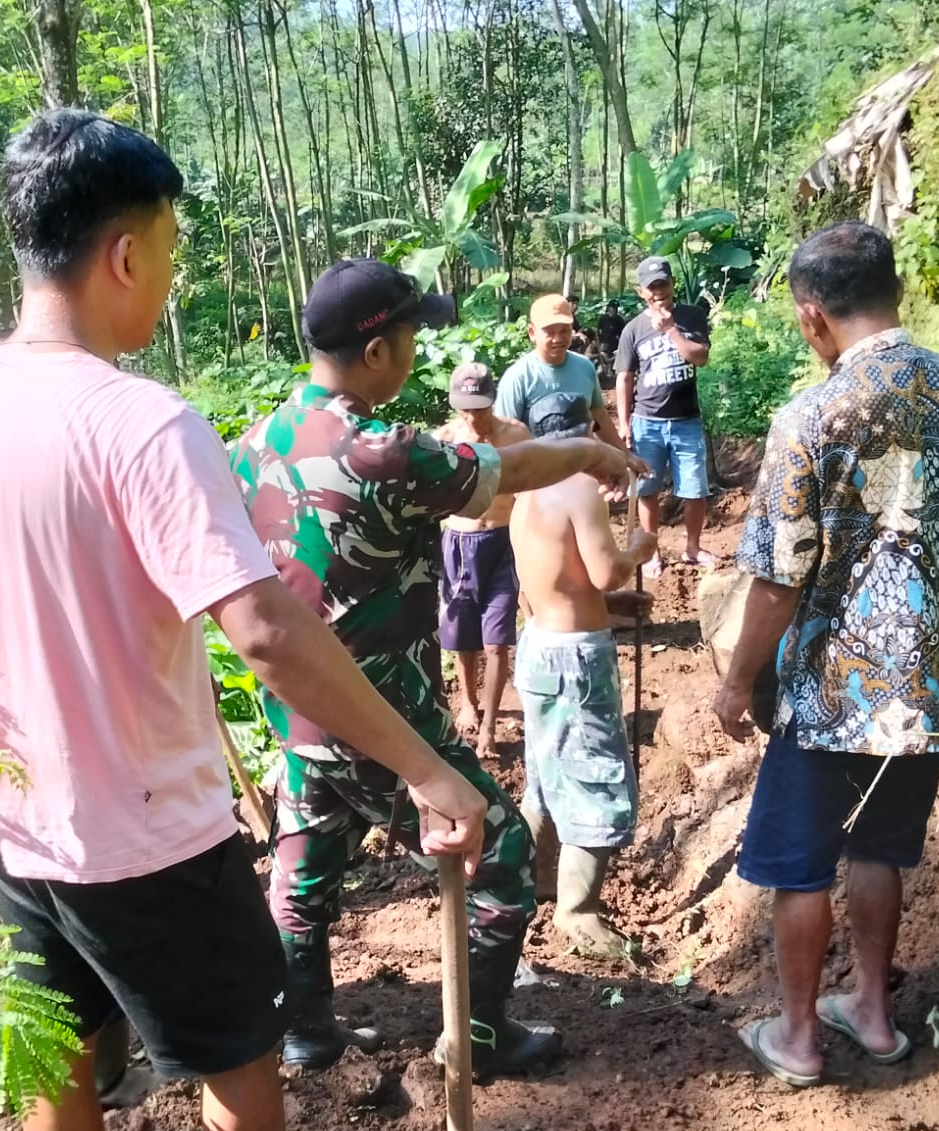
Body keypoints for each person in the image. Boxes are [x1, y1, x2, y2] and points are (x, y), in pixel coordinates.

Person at [0, 111, 496, 1131]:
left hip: (8, 816)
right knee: (237, 1063)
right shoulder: (140, 423)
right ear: (124, 255)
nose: (169, 280)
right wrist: (425, 768)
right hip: (145, 836)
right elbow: (263, 630)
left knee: (59, 1062)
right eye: (170, 252)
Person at [231, 258, 643, 1080]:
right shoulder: (382, 452)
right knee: (502, 854)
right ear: (376, 350)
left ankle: (306, 1029)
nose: (417, 350)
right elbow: (508, 471)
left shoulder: (250, 446)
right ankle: (478, 1036)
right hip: (384, 712)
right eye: (412, 335)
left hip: (300, 709)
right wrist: (587, 452)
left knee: (304, 868)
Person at [711, 221, 939, 1088]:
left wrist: (736, 681)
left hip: (830, 690)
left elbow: (779, 577)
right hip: (927, 686)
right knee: (881, 848)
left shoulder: (811, 416)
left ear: (811, 316)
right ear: (898, 291)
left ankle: (799, 1036)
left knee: (800, 865)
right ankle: (874, 1013)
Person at [510, 390, 658, 957]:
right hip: (575, 660)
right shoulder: (576, 488)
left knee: (547, 770)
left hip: (539, 643)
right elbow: (603, 572)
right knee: (594, 775)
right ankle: (579, 913)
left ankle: (534, 884)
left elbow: (551, 578)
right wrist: (638, 550)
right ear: (585, 441)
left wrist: (609, 607)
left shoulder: (525, 492)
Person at [432, 363, 532, 759]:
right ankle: (468, 703)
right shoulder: (444, 440)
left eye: (481, 408)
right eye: (466, 409)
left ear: (492, 400)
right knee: (463, 637)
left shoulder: (516, 435)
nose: (474, 417)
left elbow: (533, 490)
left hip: (505, 541)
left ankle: (489, 725)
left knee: (497, 641)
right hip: (460, 544)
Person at [613, 256, 715, 577]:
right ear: (641, 291)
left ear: (673, 285)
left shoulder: (692, 316)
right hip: (647, 422)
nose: (659, 292)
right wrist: (624, 423)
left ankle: (693, 547)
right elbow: (624, 378)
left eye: (663, 284)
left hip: (687, 421)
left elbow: (700, 358)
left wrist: (671, 329)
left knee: (695, 489)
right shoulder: (633, 329)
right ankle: (651, 552)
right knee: (648, 490)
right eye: (652, 287)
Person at [496, 293, 623, 449]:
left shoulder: (585, 367)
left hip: (582, 460)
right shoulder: (518, 377)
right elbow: (504, 435)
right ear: (532, 333)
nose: (558, 338)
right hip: (536, 462)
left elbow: (599, 415)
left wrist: (626, 455)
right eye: (549, 332)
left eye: (564, 330)